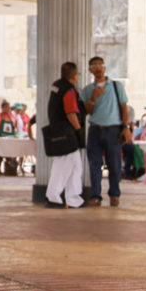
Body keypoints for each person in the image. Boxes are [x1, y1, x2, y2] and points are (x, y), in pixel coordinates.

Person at [83, 55, 129, 207]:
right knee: (94, 165)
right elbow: (86, 110)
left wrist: (126, 128)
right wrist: (93, 98)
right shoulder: (87, 90)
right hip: (95, 130)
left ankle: (114, 194)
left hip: (113, 130)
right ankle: (96, 196)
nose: (97, 68)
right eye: (94, 66)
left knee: (114, 165)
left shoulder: (116, 86)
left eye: (100, 65)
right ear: (90, 70)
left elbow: (124, 108)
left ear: (104, 67)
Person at [45, 62, 85, 208]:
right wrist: (79, 130)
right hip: (67, 133)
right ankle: (53, 197)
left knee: (75, 166)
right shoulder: (68, 90)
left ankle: (73, 199)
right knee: (63, 166)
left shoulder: (56, 86)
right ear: (74, 76)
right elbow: (71, 113)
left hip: (57, 130)